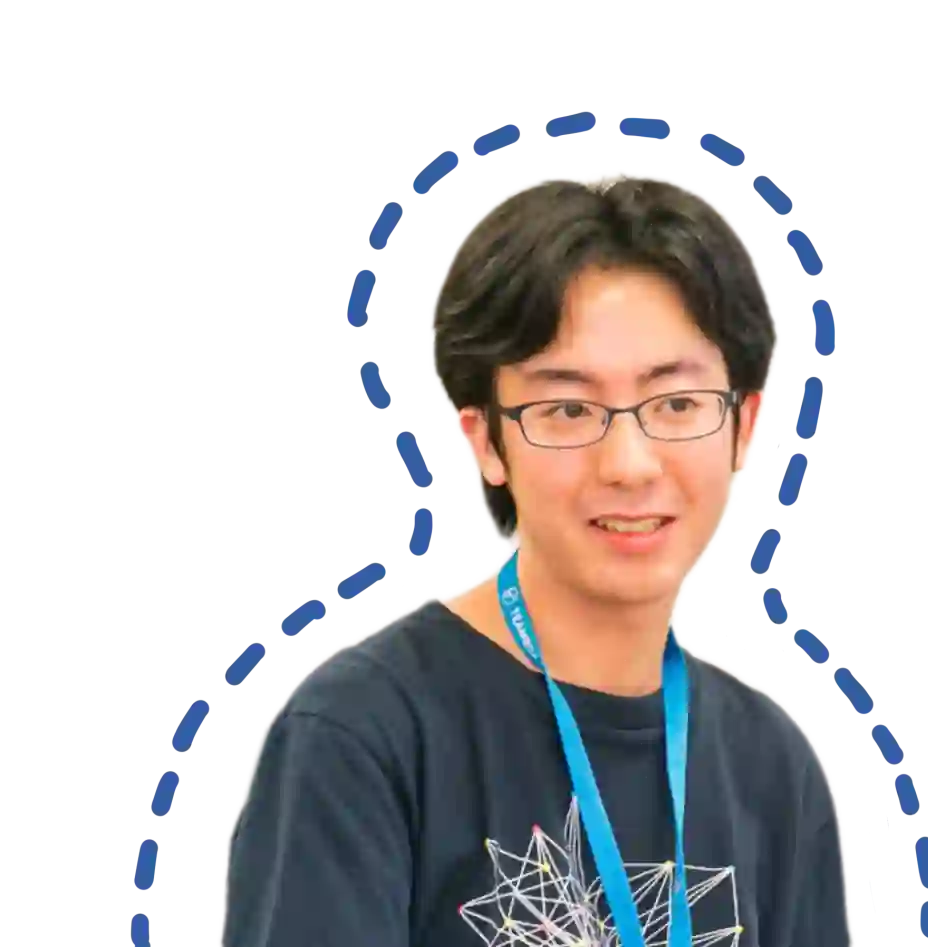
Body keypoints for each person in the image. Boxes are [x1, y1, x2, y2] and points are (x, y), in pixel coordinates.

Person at [221, 170, 851, 946]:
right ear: (484, 438)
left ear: (744, 426)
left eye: (677, 404)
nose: (629, 463)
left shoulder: (775, 768)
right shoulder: (361, 736)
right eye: (569, 408)